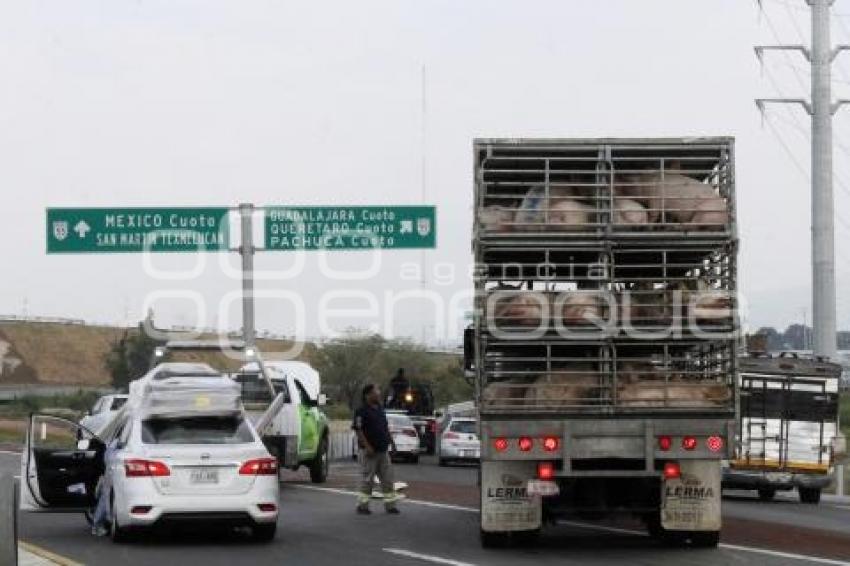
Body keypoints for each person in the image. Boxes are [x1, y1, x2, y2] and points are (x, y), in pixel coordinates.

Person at [352, 383, 399, 515]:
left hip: (383, 451)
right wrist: (367, 446)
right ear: (368, 395)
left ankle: (390, 506)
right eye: (376, 391)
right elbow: (358, 430)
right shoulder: (361, 411)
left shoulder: (380, 409)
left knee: (388, 479)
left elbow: (385, 427)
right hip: (369, 452)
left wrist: (392, 443)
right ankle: (362, 506)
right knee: (367, 480)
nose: (378, 393)